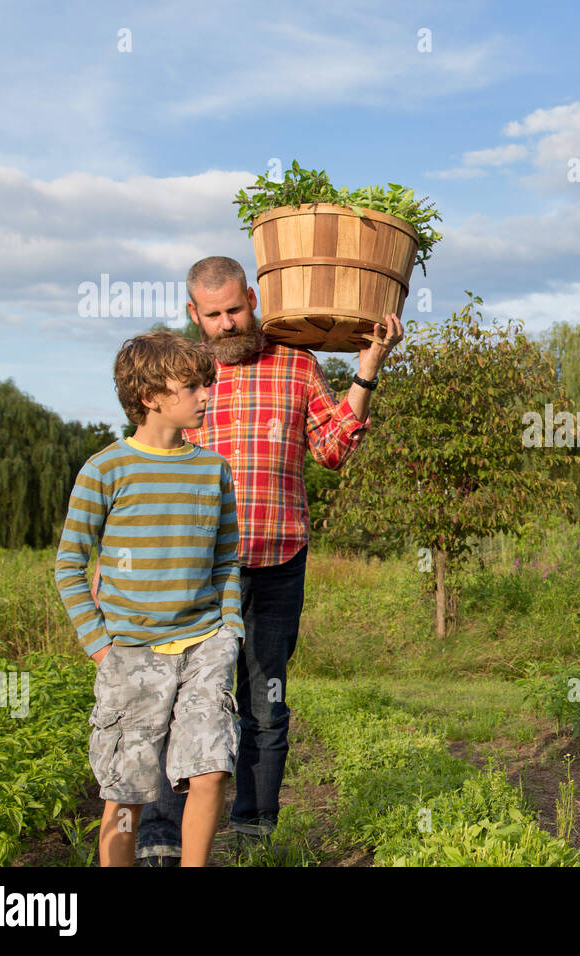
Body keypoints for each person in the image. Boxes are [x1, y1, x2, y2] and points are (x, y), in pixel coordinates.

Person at [130, 255, 402, 864]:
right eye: (214, 315)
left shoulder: (296, 364)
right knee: (174, 702)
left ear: (253, 298)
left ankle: (253, 831)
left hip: (277, 562)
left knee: (265, 702)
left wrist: (367, 370)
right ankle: (160, 837)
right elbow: (151, 458)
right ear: (193, 314)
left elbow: (332, 450)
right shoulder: (184, 377)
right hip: (196, 571)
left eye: (236, 309)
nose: (228, 324)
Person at [54, 330, 244, 867]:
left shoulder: (213, 470)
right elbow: (69, 566)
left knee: (210, 769)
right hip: (130, 654)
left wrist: (229, 629)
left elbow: (227, 558)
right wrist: (100, 648)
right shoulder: (105, 470)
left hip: (204, 645)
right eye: (192, 386)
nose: (206, 395)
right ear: (150, 396)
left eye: (206, 384)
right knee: (126, 793)